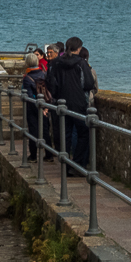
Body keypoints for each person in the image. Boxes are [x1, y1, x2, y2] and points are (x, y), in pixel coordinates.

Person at [46, 36, 96, 173]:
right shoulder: (81, 63)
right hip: (78, 103)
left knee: (65, 134)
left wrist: (56, 94)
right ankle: (77, 164)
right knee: (84, 133)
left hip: (61, 102)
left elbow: (50, 81)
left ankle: (66, 164)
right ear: (79, 48)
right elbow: (89, 83)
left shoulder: (55, 63)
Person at [21, 52, 51, 162]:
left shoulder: (27, 78)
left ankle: (33, 156)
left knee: (33, 131)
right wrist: (45, 108)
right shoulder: (44, 74)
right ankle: (49, 155)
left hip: (33, 108)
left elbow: (29, 96)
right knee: (45, 131)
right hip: (45, 105)